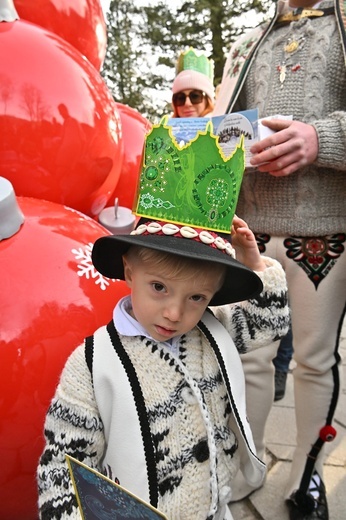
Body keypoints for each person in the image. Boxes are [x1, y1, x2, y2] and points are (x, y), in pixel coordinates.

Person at [37, 121, 290, 520]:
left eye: (197, 297)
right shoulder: (92, 364)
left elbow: (269, 323)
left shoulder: (211, 329)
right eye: (159, 288)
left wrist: (256, 266)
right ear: (129, 271)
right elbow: (62, 466)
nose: (175, 313)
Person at [213, 0, 346, 518]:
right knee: (249, 356)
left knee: (314, 361)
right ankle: (246, 465)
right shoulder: (248, 41)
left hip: (325, 231)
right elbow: (223, 129)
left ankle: (306, 476)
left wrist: (320, 137)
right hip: (251, 229)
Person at [171, 47, 215, 118]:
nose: (187, 103)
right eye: (180, 98)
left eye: (195, 96)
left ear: (207, 100)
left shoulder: (224, 126)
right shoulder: (164, 127)